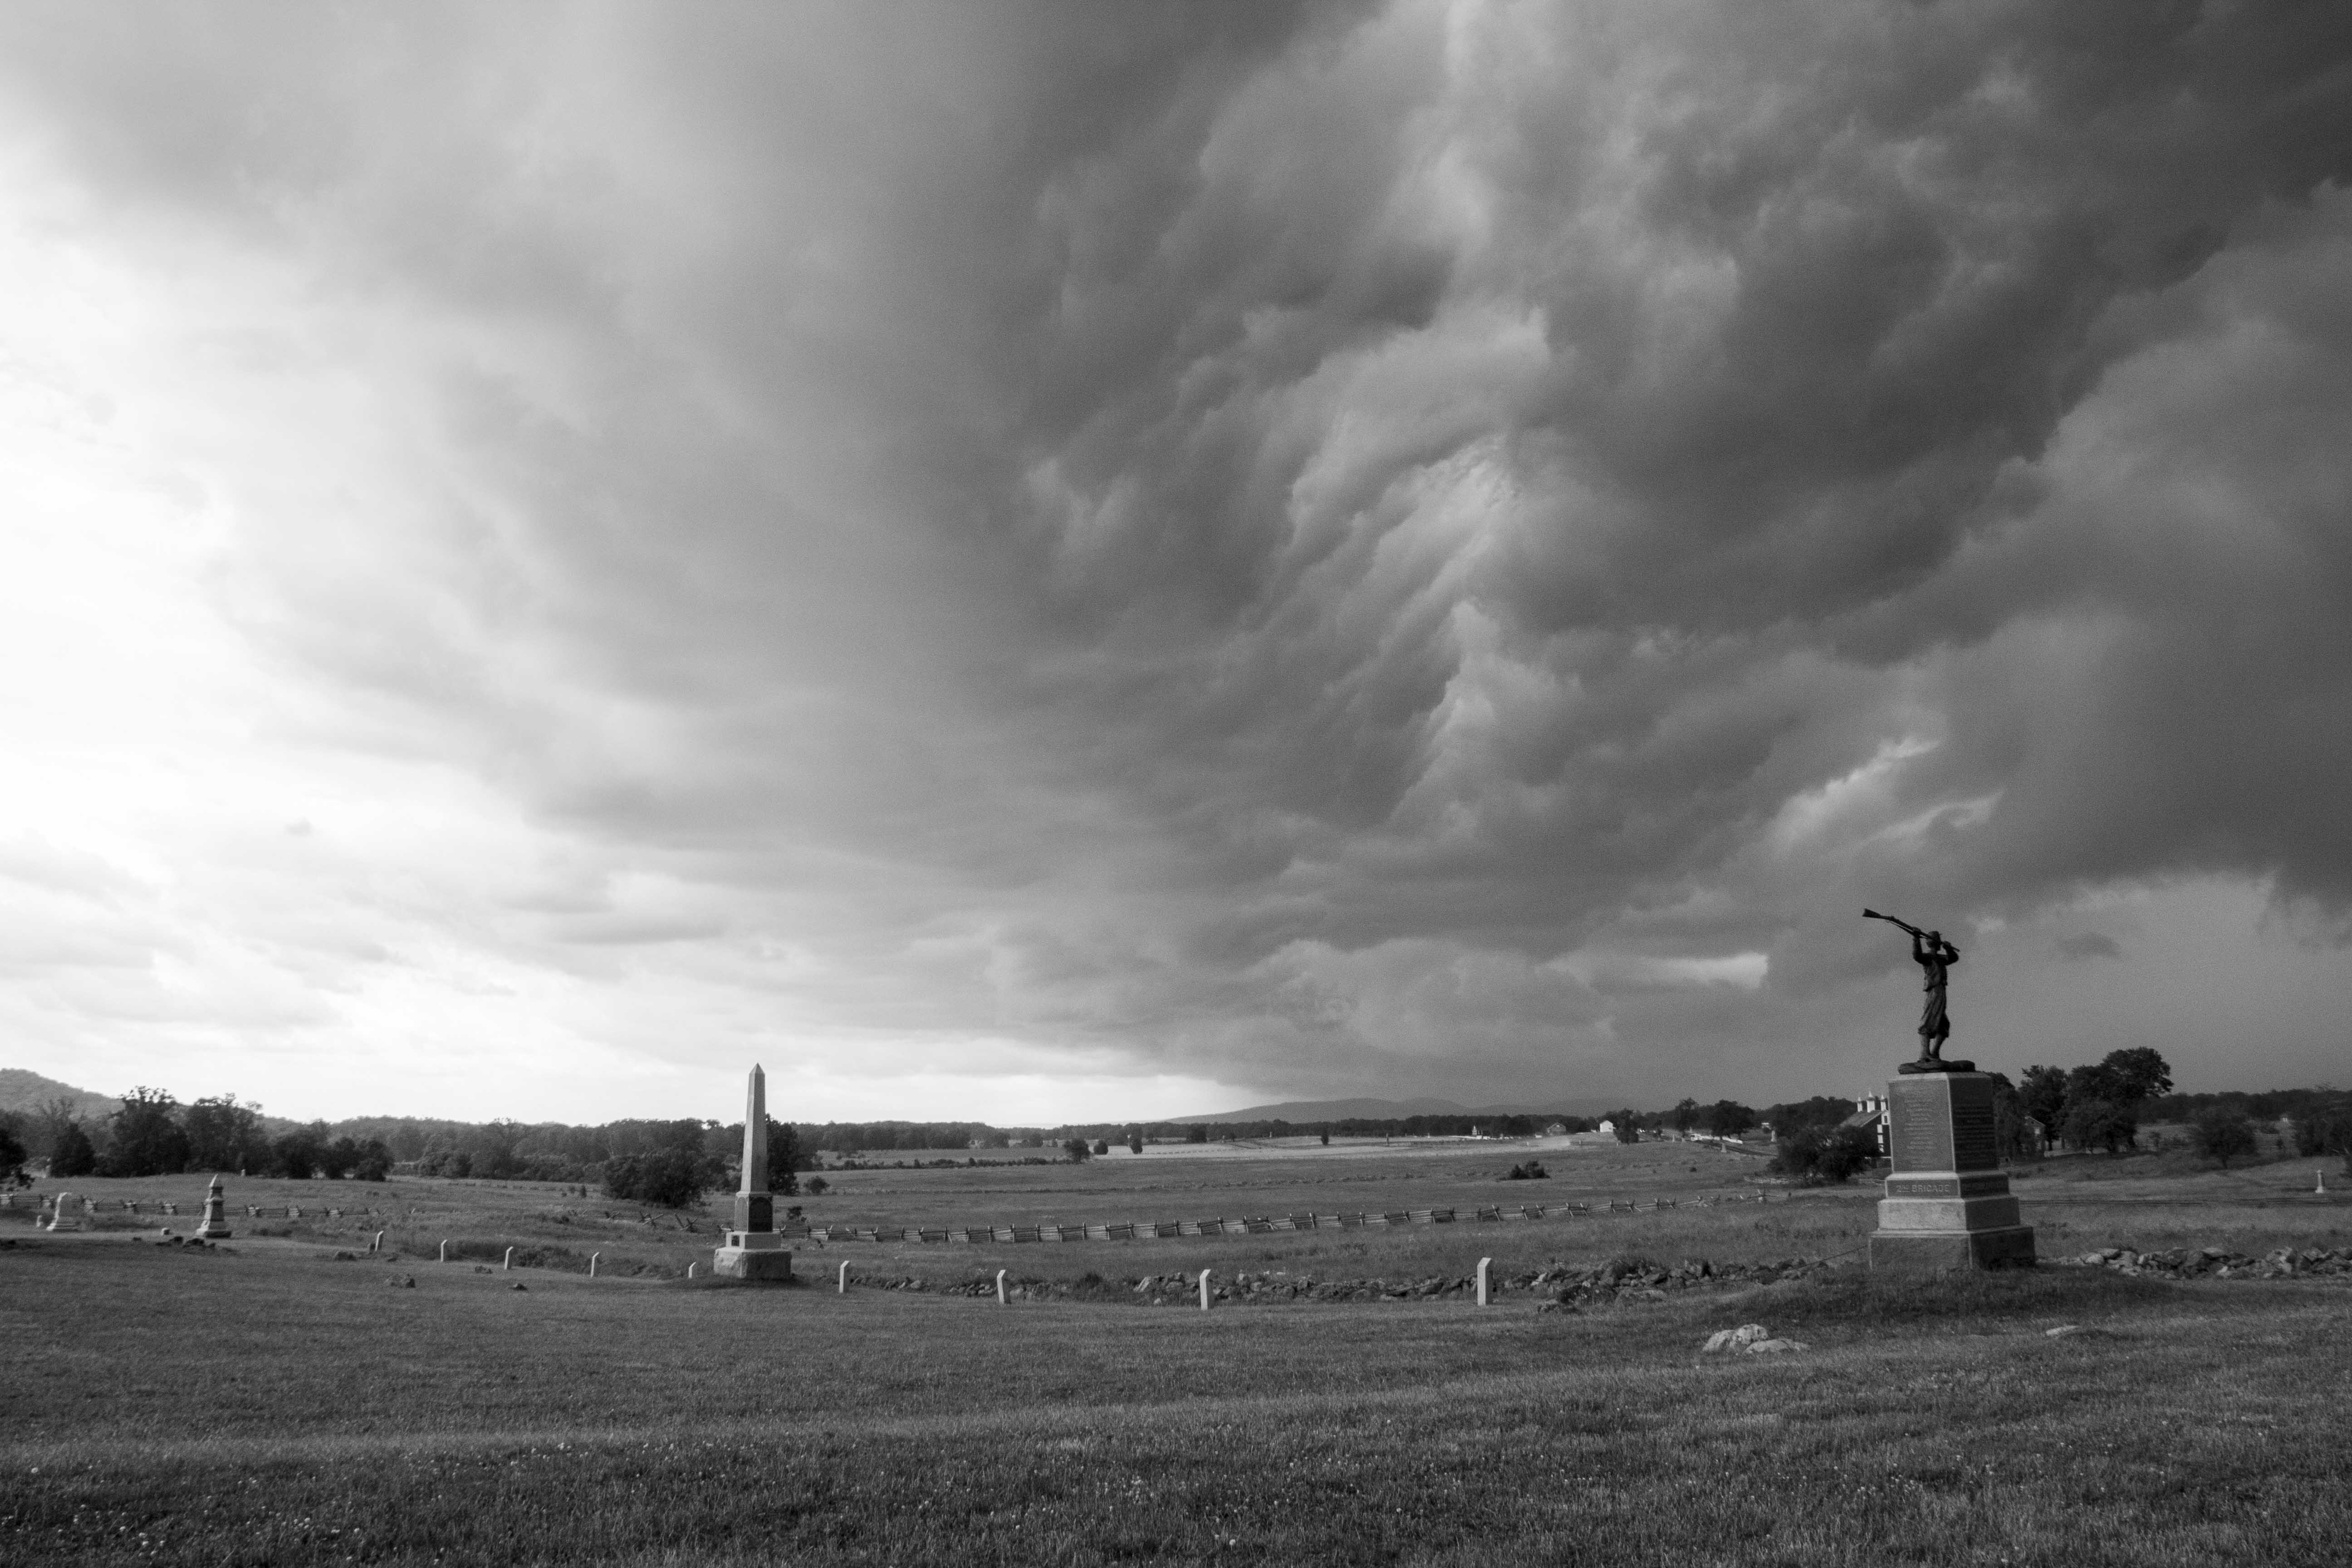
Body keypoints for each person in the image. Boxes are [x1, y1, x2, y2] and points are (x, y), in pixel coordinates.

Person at [1913, 928, 1959, 1063]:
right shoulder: (1928, 958)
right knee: (1928, 1020)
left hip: (1940, 991)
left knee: (1943, 1024)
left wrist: (1949, 949)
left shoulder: (1940, 959)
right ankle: (1925, 1054)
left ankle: (1934, 1054)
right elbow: (1917, 956)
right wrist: (1916, 939)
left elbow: (1953, 958)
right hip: (1933, 991)